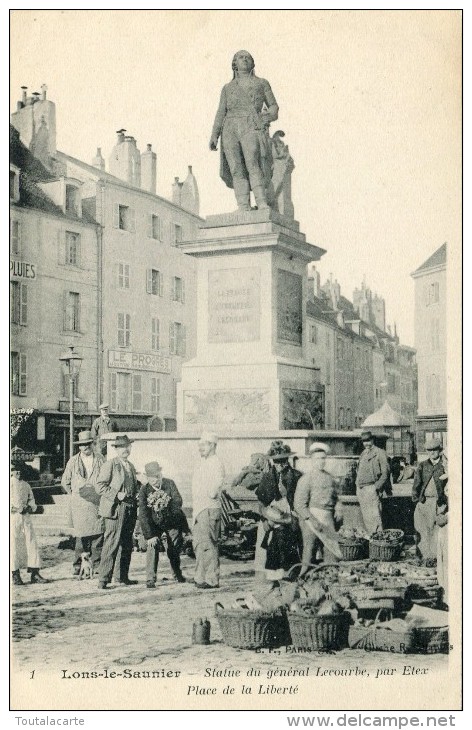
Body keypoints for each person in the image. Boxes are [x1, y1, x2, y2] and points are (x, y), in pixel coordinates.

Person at [210, 50, 279, 211]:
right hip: (230, 127)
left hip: (250, 124)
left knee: (253, 163)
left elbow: (274, 106)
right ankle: (243, 205)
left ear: (253, 63)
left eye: (248, 57)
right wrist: (215, 134)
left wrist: (267, 117)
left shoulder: (262, 83)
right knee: (236, 167)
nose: (245, 59)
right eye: (241, 57)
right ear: (234, 64)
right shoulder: (227, 88)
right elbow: (221, 111)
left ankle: (261, 202)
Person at [255, 441, 302, 582]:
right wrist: (265, 519)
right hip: (271, 515)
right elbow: (262, 502)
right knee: (271, 540)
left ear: (287, 460)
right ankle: (273, 574)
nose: (279, 465)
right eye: (276, 462)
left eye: (282, 461)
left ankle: (291, 572)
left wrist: (294, 517)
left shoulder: (297, 476)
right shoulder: (268, 477)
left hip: (292, 515)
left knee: (286, 538)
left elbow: (300, 502)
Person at [96, 434, 139, 589]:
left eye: (127, 446)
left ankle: (121, 577)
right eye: (121, 447)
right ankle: (103, 579)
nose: (125, 449)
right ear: (116, 449)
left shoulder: (131, 466)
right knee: (112, 543)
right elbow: (100, 486)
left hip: (130, 509)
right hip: (115, 509)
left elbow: (134, 485)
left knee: (127, 543)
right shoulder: (111, 465)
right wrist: (117, 494)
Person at [61, 430, 105, 577]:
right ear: (79, 447)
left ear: (92, 444)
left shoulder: (100, 459)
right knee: (81, 537)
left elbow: (106, 479)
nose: (85, 447)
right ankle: (77, 565)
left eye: (88, 444)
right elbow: (65, 482)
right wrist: (74, 495)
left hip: (96, 504)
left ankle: (97, 564)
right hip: (79, 506)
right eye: (82, 445)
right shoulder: (73, 461)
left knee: (98, 535)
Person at [138, 461, 187, 589]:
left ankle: (177, 574)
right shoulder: (144, 490)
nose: (154, 480)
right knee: (152, 545)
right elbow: (143, 514)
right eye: (150, 477)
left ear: (160, 474)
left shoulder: (169, 484)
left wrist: (167, 513)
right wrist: (150, 535)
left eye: (156, 476)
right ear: (147, 477)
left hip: (171, 521)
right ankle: (150, 578)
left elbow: (178, 502)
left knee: (174, 546)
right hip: (154, 524)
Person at [294, 442, 341, 575]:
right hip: (311, 519)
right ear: (312, 460)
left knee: (332, 551)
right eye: (318, 459)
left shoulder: (330, 478)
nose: (321, 461)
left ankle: (330, 578)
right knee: (309, 552)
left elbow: (337, 496)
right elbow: (299, 504)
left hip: (328, 519)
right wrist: (311, 519)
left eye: (323, 458)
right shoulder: (305, 479)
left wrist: (338, 506)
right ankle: (303, 579)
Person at [191, 432, 225, 589]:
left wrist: (209, 494)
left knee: (209, 545)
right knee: (199, 544)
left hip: (209, 509)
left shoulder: (216, 463)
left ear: (212, 445)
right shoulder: (203, 462)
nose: (201, 448)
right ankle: (200, 577)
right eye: (200, 445)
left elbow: (214, 489)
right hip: (200, 510)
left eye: (204, 445)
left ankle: (211, 579)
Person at [11, 462, 49, 585]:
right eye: (15, 470)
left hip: (26, 518)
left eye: (20, 470)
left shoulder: (26, 485)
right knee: (13, 545)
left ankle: (35, 573)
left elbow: (32, 500)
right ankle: (14, 574)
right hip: (12, 519)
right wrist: (15, 509)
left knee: (31, 543)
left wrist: (30, 507)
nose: (18, 472)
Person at [412, 438, 447, 563]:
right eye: (429, 450)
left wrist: (445, 503)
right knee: (421, 529)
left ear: (440, 450)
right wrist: (417, 499)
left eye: (434, 450)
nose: (432, 453)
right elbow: (416, 484)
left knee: (436, 530)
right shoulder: (422, 465)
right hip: (424, 502)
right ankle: (422, 556)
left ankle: (434, 558)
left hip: (438, 503)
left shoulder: (444, 465)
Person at [355, 430, 390, 534]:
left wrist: (376, 487)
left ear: (372, 440)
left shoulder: (380, 453)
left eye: (368, 441)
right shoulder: (363, 454)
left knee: (375, 519)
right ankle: (372, 543)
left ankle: (378, 544)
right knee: (367, 519)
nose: (366, 443)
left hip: (371, 489)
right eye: (364, 441)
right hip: (361, 490)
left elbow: (385, 473)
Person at [436, 478, 448, 608]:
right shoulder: (445, 480)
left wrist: (447, 516)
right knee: (442, 561)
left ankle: (448, 599)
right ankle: (443, 596)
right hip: (443, 529)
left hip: (451, 528)